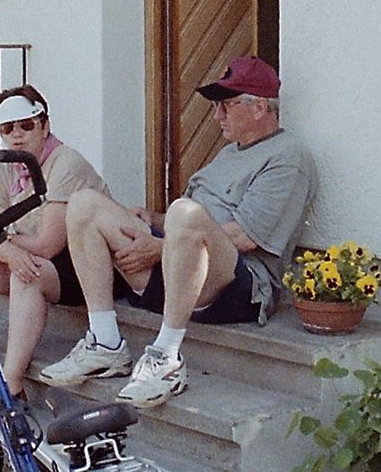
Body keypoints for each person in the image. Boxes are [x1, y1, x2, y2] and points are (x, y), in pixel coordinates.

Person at [40, 56, 317, 408]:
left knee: (185, 212)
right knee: (84, 203)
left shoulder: (288, 156)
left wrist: (159, 248)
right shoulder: (229, 154)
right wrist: (152, 220)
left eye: (226, 106)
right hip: (179, 273)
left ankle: (167, 357)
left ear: (260, 107)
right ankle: (105, 342)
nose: (217, 116)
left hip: (238, 287)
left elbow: (245, 237)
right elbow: (186, 226)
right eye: (216, 107)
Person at [0, 85, 107, 398]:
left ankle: (11, 385)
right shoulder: (7, 166)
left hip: (86, 267)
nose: (17, 135)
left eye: (26, 125)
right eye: (7, 128)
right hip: (41, 259)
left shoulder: (65, 163)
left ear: (45, 126)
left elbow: (49, 244)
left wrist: (8, 246)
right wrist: (9, 252)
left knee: (28, 273)